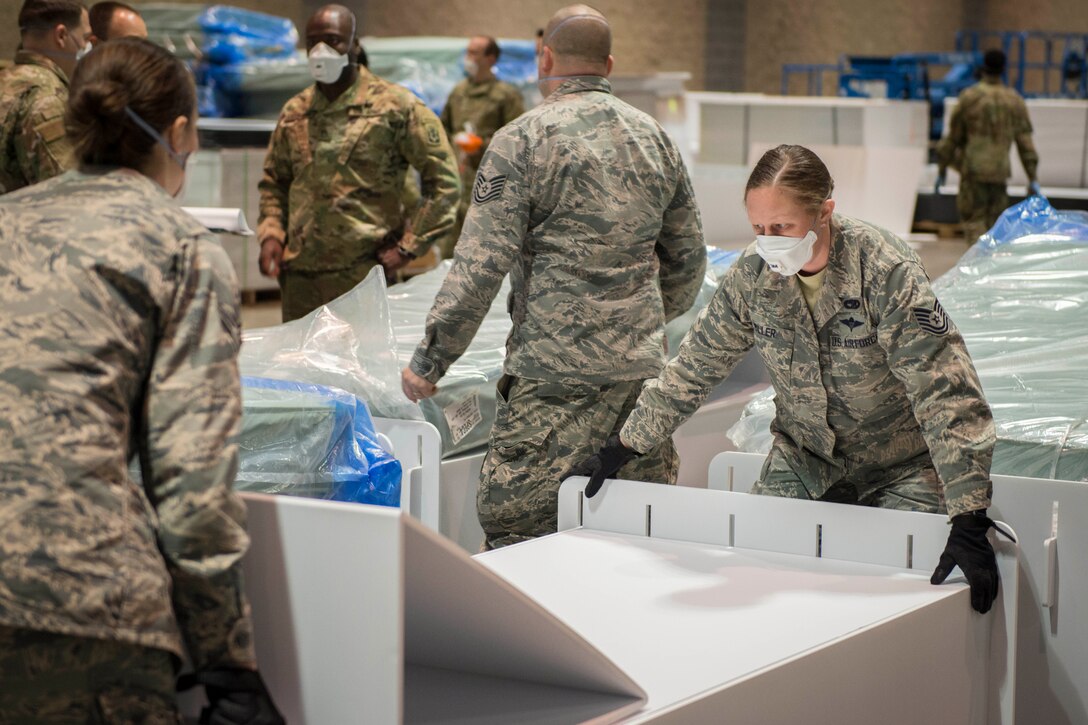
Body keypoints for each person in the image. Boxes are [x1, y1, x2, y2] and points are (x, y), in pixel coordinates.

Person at [572, 144, 1004, 614]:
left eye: (782, 227)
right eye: (759, 228)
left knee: (894, 586)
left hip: (898, 465)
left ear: (824, 213)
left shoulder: (885, 271)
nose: (769, 240)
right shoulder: (754, 277)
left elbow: (944, 389)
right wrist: (629, 443)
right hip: (804, 459)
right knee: (758, 563)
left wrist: (969, 513)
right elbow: (697, 364)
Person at [0, 37, 282, 722]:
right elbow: (192, 485)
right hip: (80, 602)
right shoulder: (180, 246)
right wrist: (229, 659)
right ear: (180, 133)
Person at [401, 5, 707, 550]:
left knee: (521, 535)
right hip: (637, 380)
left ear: (545, 59)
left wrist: (431, 360)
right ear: (608, 64)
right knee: (640, 536)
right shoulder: (655, 139)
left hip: (551, 382)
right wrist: (637, 321)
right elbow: (688, 259)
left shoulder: (521, 140)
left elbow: (479, 266)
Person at [257, 3, 460, 322]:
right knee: (296, 370)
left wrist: (410, 246)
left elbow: (444, 182)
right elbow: (275, 182)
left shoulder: (396, 107)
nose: (321, 50)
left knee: (359, 368)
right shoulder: (295, 111)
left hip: (362, 276)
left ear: (355, 44)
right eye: (313, 42)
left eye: (333, 40)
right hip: (299, 277)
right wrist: (271, 234)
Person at [936, 49, 1039, 243]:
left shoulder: (969, 98)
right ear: (1003, 70)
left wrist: (941, 167)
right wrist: (1032, 177)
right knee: (996, 230)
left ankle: (975, 270)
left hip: (973, 174)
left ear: (983, 68)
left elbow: (953, 139)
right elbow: (1026, 145)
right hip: (999, 175)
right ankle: (990, 269)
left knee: (974, 223)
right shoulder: (1014, 101)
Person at [439, 35, 525, 258]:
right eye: (467, 52)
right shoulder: (458, 92)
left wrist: (482, 146)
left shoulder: (505, 95)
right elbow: (443, 129)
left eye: (475, 52)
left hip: (489, 185)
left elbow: (518, 141)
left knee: (481, 251)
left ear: (491, 58)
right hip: (457, 180)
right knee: (450, 250)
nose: (468, 58)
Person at [0, 0, 89, 194]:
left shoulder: (7, 80)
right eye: (85, 37)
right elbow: (67, 193)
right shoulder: (47, 97)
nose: (86, 46)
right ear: (62, 35)